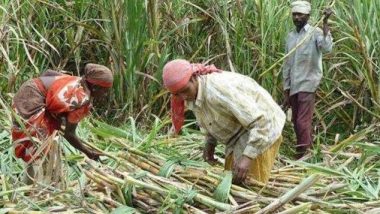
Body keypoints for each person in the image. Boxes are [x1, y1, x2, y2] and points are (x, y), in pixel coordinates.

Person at [162, 59, 285, 184]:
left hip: (263, 128)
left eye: (185, 90)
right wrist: (210, 144)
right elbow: (209, 117)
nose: (183, 97)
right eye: (177, 94)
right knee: (231, 182)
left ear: (194, 78)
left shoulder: (218, 90)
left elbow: (261, 122)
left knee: (249, 187)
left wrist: (247, 158)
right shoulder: (192, 95)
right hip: (237, 133)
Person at [12, 63, 113, 183]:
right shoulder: (81, 100)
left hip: (29, 87)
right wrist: (88, 152)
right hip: (31, 99)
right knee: (39, 146)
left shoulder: (78, 81)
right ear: (95, 87)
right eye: (105, 91)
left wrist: (55, 108)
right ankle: (34, 187)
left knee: (39, 145)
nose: (105, 95)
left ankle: (30, 185)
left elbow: (48, 73)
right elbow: (69, 134)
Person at [282, 1, 333, 158]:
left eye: (300, 15)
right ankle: (305, 151)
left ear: (308, 16)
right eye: (294, 15)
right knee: (296, 122)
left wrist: (325, 23)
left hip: (308, 84)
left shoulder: (315, 33)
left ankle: (304, 154)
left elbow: (326, 48)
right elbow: (287, 64)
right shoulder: (290, 37)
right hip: (293, 86)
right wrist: (286, 88)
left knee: (302, 122)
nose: (297, 18)